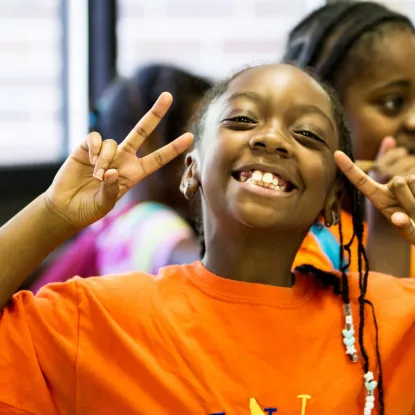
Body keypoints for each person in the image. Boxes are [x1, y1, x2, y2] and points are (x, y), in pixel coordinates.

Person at [2, 63, 415, 414]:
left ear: (332, 198)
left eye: (307, 134)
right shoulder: (92, 321)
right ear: (191, 169)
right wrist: (52, 214)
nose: (271, 138)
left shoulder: (385, 320)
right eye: (242, 119)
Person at [29, 64, 210, 292]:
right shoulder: (152, 225)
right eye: (200, 140)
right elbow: (211, 273)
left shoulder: (109, 220)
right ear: (153, 144)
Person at [284, 1, 415, 277]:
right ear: (321, 119)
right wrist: (389, 227)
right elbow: (379, 321)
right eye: (394, 102)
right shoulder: (297, 244)